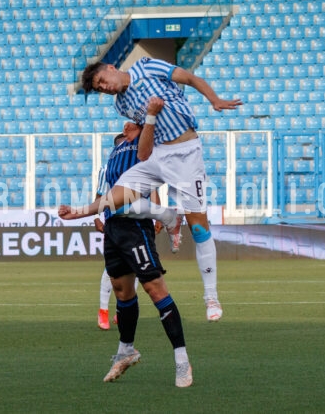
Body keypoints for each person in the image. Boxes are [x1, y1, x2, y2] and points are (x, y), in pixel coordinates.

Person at [68, 57, 243, 321]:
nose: (104, 87)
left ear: (112, 68)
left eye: (102, 81)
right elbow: (145, 147)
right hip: (157, 154)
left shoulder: (146, 67)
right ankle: (83, 211)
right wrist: (140, 129)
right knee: (123, 199)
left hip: (186, 153)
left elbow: (190, 78)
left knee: (198, 227)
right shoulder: (122, 105)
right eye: (99, 88)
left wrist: (214, 99)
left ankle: (211, 297)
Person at [60, 128, 193, 387]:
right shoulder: (113, 159)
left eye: (130, 126)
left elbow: (144, 186)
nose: (124, 129)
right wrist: (90, 215)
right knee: (122, 291)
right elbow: (105, 197)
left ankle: (182, 360)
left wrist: (158, 212)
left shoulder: (144, 151)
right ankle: (126, 351)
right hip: (113, 229)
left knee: (155, 289)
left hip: (135, 227)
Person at [95, 123, 180, 330]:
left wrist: (157, 215)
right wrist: (97, 217)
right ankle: (103, 311)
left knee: (134, 269)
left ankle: (119, 312)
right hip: (116, 219)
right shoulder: (107, 168)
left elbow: (151, 190)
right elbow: (100, 194)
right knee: (111, 271)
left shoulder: (140, 163)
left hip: (138, 219)